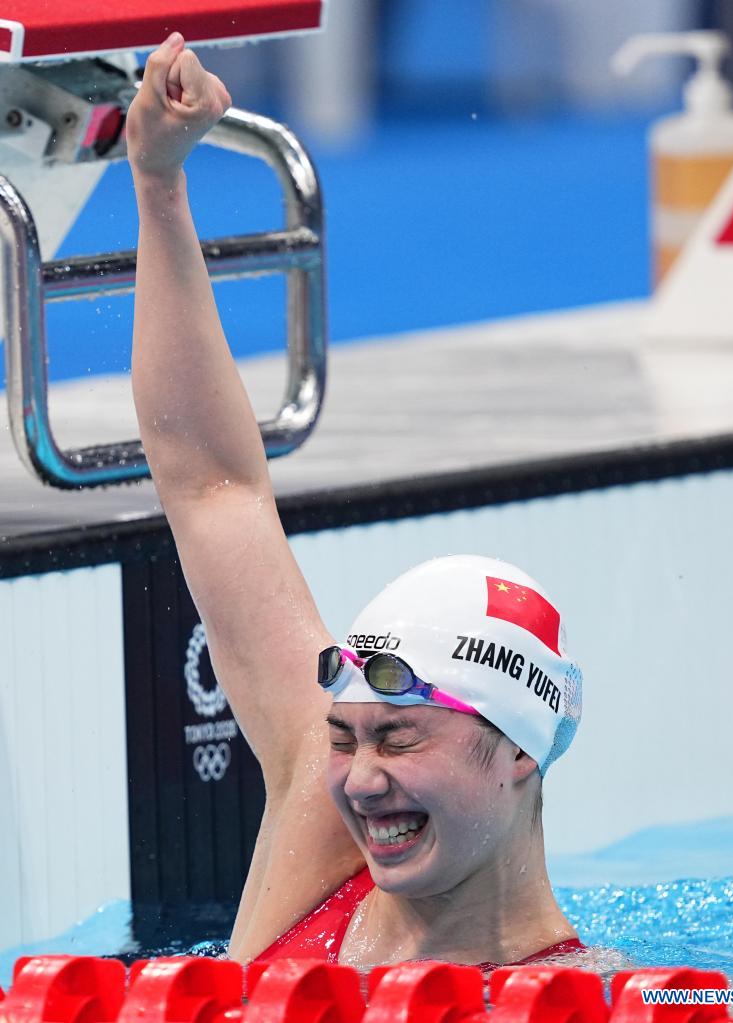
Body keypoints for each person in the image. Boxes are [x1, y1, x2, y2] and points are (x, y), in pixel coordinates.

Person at [126, 33, 584, 972]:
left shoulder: (605, 996)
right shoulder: (315, 833)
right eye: (343, 736)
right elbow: (212, 484)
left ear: (519, 752)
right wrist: (160, 186)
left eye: (401, 737)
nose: (360, 780)